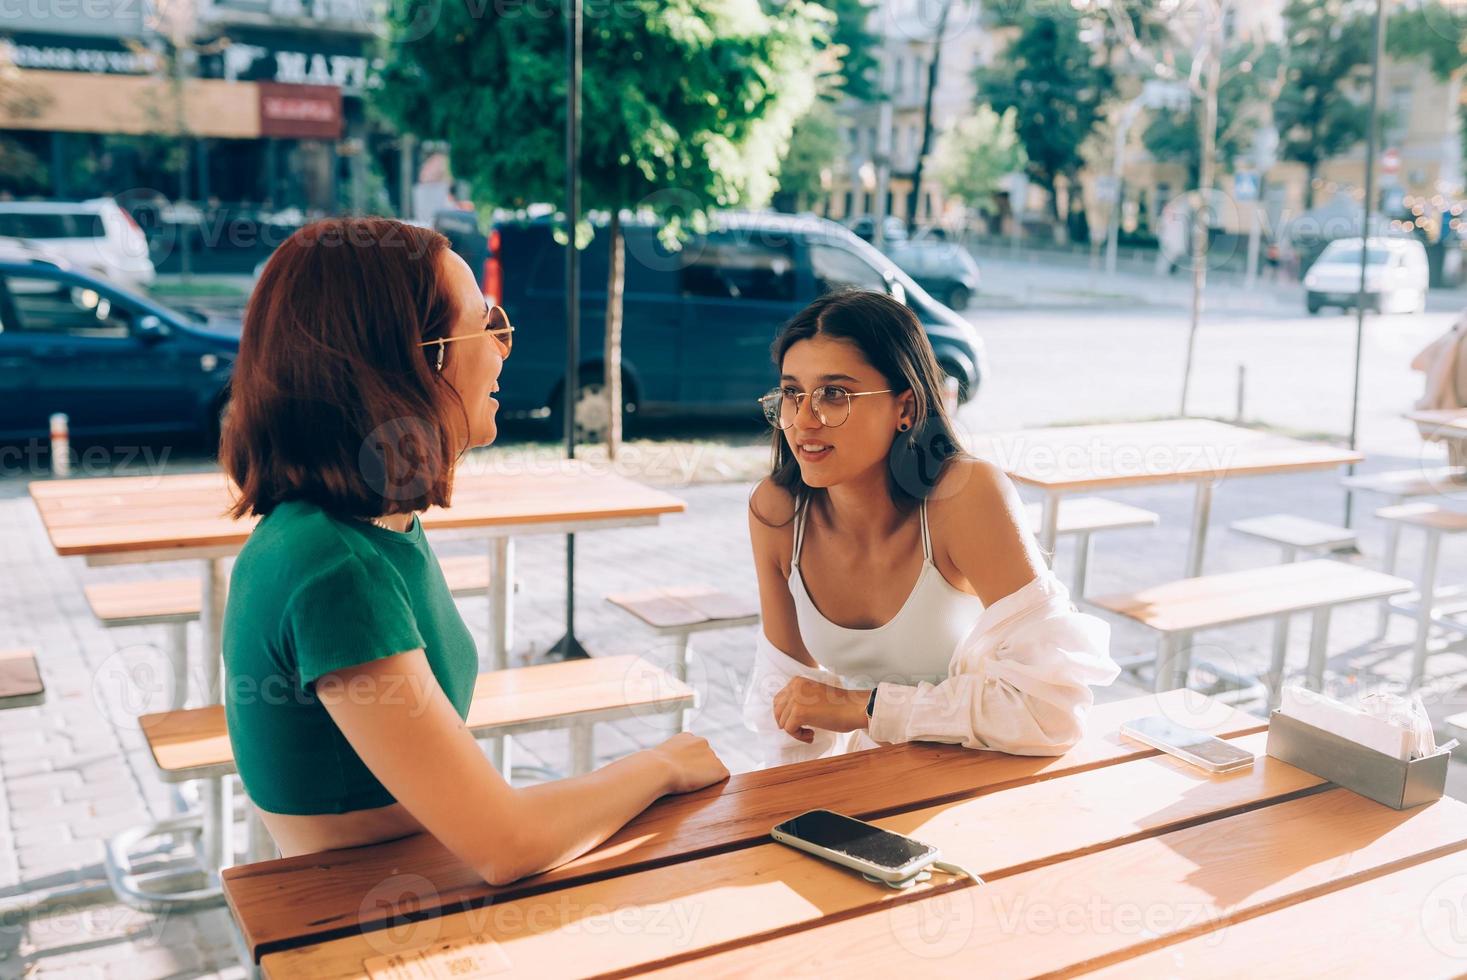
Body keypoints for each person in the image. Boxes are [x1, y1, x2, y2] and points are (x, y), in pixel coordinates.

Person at [220, 217, 727, 883]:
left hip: (407, 878)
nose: (504, 347)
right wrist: (663, 762)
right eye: (484, 323)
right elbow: (507, 843)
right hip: (362, 928)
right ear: (411, 360)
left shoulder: (370, 525)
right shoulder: (337, 568)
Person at [744, 289, 1121, 767]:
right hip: (864, 782)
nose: (803, 422)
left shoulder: (964, 495)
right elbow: (784, 703)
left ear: (906, 408)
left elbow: (1053, 711)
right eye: (793, 394)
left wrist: (868, 708)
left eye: (834, 395)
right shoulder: (778, 511)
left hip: (979, 772)